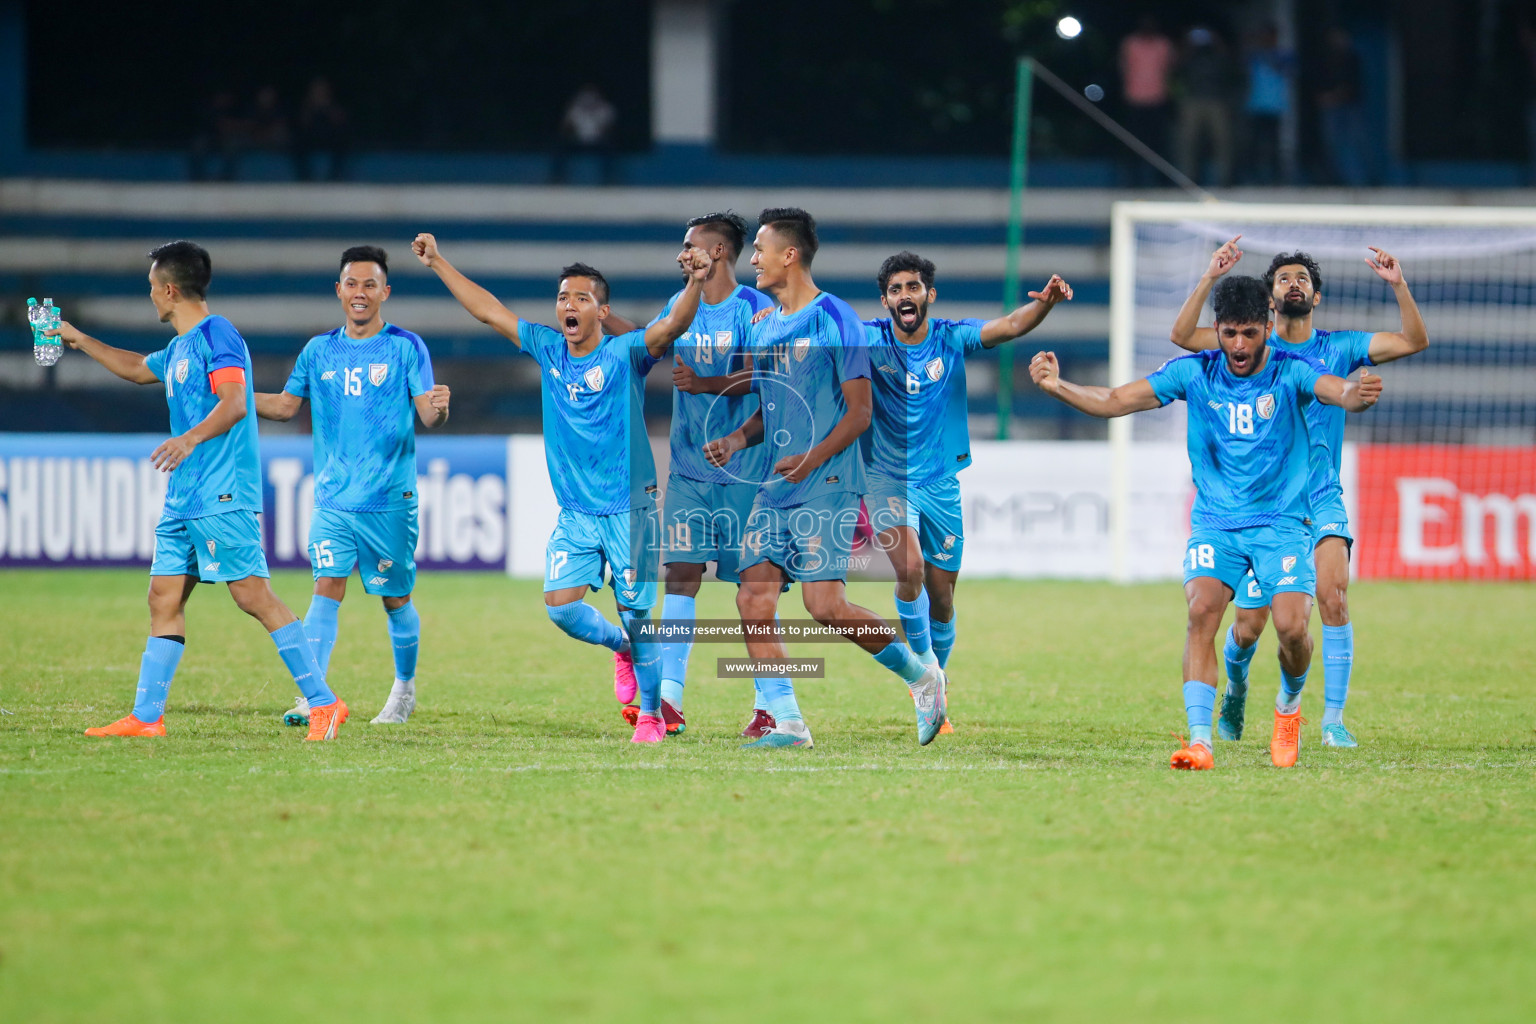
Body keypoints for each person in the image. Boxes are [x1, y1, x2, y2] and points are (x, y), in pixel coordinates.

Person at [1029, 275, 1382, 770]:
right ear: (1217, 328)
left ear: (1266, 328)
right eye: (1230, 333)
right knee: (1201, 614)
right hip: (1217, 522)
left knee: (1293, 630)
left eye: (1250, 334)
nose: (1239, 346)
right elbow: (1113, 401)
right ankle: (1200, 741)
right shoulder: (1194, 372)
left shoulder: (1292, 369)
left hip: (1281, 523)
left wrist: (1355, 393)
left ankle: (1288, 707)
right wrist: (1055, 386)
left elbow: (1335, 389)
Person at [411, 232, 711, 742]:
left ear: (602, 309)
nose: (567, 305)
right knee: (562, 607)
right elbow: (489, 312)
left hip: (629, 509)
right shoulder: (549, 348)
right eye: (562, 297)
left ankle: (653, 716)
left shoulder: (625, 354)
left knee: (640, 615)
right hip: (576, 512)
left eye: (581, 298)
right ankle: (620, 647)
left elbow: (672, 326)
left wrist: (695, 281)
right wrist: (439, 262)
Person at [49, 241, 347, 741]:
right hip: (185, 496)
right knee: (163, 596)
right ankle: (147, 717)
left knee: (252, 594)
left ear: (169, 290)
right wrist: (76, 338)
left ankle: (324, 702)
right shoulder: (180, 348)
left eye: (151, 289)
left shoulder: (218, 335)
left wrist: (188, 438)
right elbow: (137, 369)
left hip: (222, 491)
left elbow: (234, 403)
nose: (150, 298)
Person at [701, 208, 946, 750]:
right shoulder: (764, 326)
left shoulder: (835, 316)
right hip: (776, 485)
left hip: (829, 482)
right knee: (752, 599)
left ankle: (921, 676)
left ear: (789, 255)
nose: (754, 259)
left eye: (760, 248)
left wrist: (811, 460)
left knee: (824, 605)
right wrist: (739, 439)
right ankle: (789, 722)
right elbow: (773, 406)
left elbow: (858, 413)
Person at [1169, 238, 1428, 748]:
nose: (1293, 284)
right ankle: (1237, 684)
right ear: (1269, 300)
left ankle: (1330, 720)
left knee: (1331, 598)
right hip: (1259, 506)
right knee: (1246, 627)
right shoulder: (1252, 347)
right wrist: (1209, 277)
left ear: (1316, 296)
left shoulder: (1339, 348)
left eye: (1302, 279)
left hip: (1320, 494)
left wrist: (1399, 286)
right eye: (1284, 278)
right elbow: (1182, 336)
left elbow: (1413, 340)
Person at [862, 252, 1072, 731]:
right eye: (895, 290)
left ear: (928, 295)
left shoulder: (950, 337)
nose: (905, 296)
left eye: (913, 287)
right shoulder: (868, 338)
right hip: (885, 477)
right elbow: (817, 330)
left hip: (940, 482)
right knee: (909, 568)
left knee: (942, 599)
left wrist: (1047, 305)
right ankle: (925, 681)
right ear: (885, 300)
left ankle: (940, 681)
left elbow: (1011, 326)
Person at [254, 246, 450, 728]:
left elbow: (428, 413)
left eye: (369, 285)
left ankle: (403, 690)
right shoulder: (318, 350)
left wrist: (440, 406)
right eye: (351, 284)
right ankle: (316, 697)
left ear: (385, 292)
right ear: (338, 290)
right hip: (333, 500)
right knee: (326, 587)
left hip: (388, 500)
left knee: (395, 599)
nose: (359, 293)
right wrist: (233, 397)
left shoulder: (406, 346)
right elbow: (284, 406)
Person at [604, 212, 774, 737]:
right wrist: (601, 318)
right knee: (680, 574)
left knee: (754, 589)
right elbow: (650, 339)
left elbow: (770, 376)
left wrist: (706, 384)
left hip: (747, 472)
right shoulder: (683, 305)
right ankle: (671, 701)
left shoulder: (756, 307)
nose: (682, 254)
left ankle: (769, 704)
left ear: (718, 252)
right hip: (687, 471)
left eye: (690, 246)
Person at [1176, 27, 1238, 188]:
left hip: (1217, 101)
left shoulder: (1219, 56)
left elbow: (1231, 69)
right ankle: (1187, 179)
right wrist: (1187, 45)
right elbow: (1176, 69)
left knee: (1222, 142)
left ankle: (1224, 179)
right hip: (1192, 101)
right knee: (1188, 142)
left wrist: (1218, 43)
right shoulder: (1189, 56)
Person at [1118, 15, 1176, 187]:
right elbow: (1123, 66)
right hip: (1134, 98)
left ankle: (1162, 181)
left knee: (1159, 142)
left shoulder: (1163, 44)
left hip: (1158, 99)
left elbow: (1170, 67)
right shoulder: (1130, 43)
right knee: (1133, 142)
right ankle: (1133, 181)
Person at [1315, 28, 1368, 186]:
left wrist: (1335, 96)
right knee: (1331, 143)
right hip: (1331, 107)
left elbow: (1354, 86)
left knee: (1356, 143)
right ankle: (1336, 180)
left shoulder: (1353, 59)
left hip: (1351, 107)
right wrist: (1325, 97)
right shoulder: (1327, 59)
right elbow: (1319, 82)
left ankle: (1360, 181)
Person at [1243, 24, 1293, 185]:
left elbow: (1286, 68)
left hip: (1274, 107)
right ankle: (1253, 178)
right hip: (1256, 106)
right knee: (1254, 144)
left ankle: (1276, 179)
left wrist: (1265, 53)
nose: (1265, 39)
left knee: (1273, 145)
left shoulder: (1283, 55)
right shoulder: (1253, 55)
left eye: (1268, 36)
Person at [551, 83, 617, 185]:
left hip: (597, 141)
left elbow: (608, 128)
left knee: (609, 148)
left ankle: (609, 180)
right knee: (560, 147)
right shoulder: (575, 109)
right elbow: (565, 127)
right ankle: (557, 178)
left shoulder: (605, 109)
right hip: (578, 141)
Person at [293, 77, 349, 181]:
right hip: (311, 140)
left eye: (322, 89)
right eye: (317, 90)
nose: (319, 92)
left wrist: (327, 107)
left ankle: (334, 178)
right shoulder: (307, 105)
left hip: (330, 140)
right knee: (298, 146)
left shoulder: (332, 104)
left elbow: (340, 122)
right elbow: (302, 124)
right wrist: (311, 107)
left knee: (342, 146)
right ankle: (305, 178)